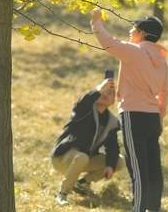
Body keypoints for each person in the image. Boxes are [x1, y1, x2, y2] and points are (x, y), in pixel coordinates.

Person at [90, 9, 168, 212]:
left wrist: (96, 21)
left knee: (137, 168)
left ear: (142, 32)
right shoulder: (162, 61)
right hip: (152, 118)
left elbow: (108, 42)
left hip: (133, 116)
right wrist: (160, 118)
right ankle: (153, 207)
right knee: (153, 167)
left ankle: (138, 208)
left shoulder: (134, 52)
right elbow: (164, 93)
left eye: (133, 28)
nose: (130, 31)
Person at [51, 77, 124, 205]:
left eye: (110, 93)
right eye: (103, 91)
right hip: (63, 158)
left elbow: (112, 147)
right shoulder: (84, 109)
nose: (105, 94)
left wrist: (110, 165)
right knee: (82, 157)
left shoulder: (112, 122)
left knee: (119, 161)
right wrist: (98, 89)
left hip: (84, 159)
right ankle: (62, 194)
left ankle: (81, 184)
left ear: (114, 101)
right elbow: (84, 100)